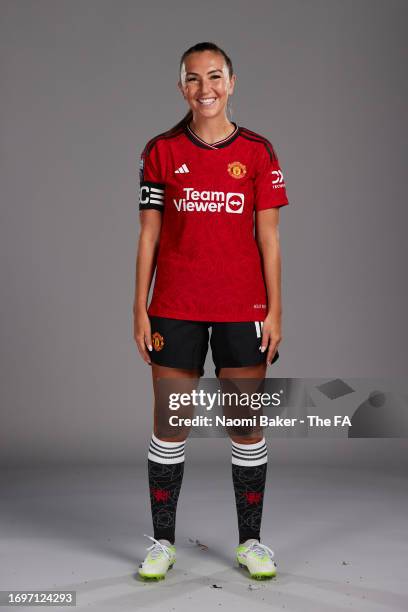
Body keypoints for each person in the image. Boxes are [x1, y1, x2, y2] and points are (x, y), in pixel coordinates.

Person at [133, 42, 289, 581]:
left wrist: (274, 312)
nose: (206, 89)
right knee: (171, 424)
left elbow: (269, 239)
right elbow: (148, 235)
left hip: (242, 308)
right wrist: (140, 308)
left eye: (215, 76)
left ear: (232, 81)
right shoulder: (160, 150)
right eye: (194, 79)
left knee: (245, 426)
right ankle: (162, 543)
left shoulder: (260, 151)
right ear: (181, 88)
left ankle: (251, 543)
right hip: (174, 306)